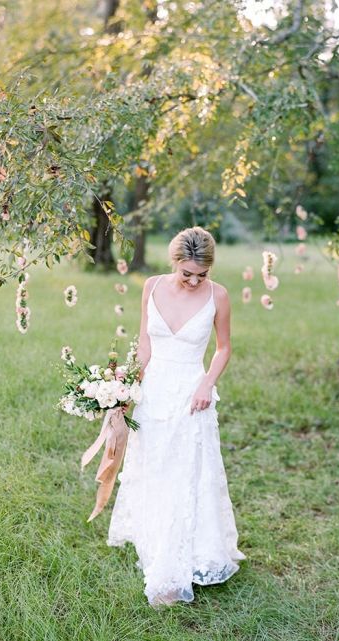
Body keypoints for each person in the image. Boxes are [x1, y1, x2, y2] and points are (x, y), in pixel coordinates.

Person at [107, 226, 245, 606]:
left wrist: (206, 384)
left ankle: (179, 560)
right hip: (154, 392)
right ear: (174, 263)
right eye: (187, 273)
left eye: (201, 275)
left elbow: (223, 348)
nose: (194, 281)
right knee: (155, 466)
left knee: (186, 473)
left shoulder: (219, 296)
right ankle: (154, 536)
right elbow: (145, 345)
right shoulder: (151, 286)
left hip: (191, 394)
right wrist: (125, 391)